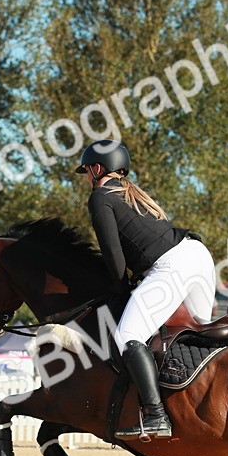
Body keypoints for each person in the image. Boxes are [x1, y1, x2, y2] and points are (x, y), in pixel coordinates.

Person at [76, 139, 216, 440]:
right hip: (198, 256)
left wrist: (120, 288)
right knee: (197, 332)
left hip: (172, 266)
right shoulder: (131, 193)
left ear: (98, 169)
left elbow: (114, 258)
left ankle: (156, 415)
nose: (87, 177)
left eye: (87, 171)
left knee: (128, 336)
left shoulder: (100, 197)